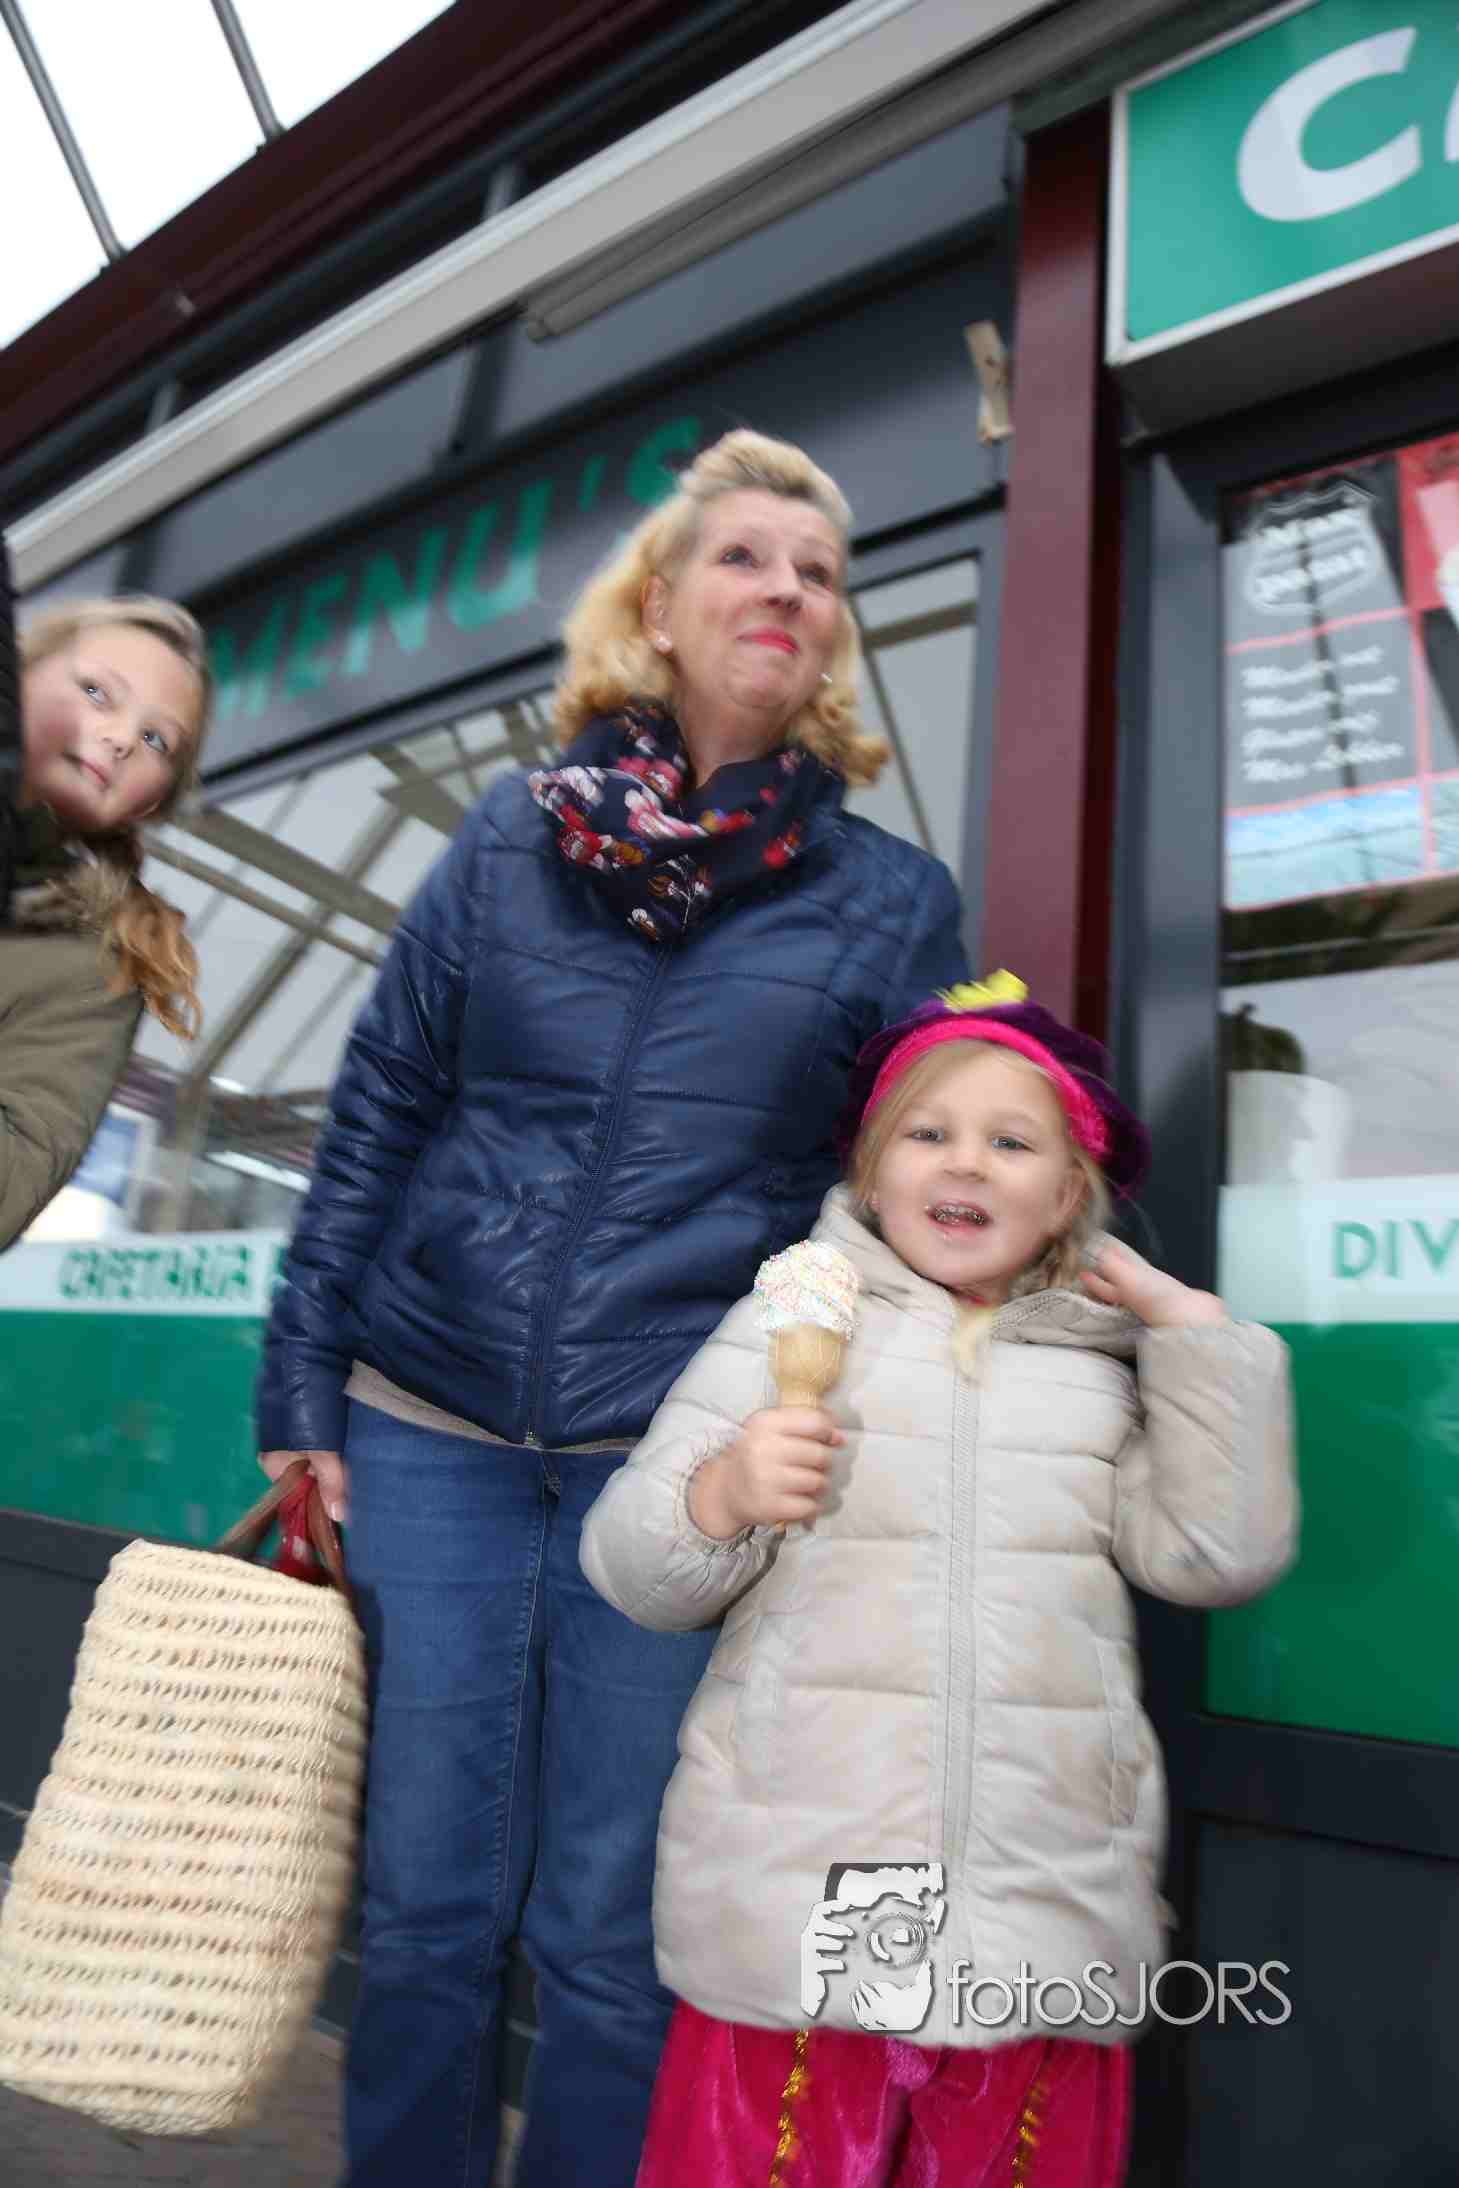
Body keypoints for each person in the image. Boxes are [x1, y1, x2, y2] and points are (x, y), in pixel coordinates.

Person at [254, 429, 968, 2188]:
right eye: (744, 558)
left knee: (605, 1921)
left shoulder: (888, 900)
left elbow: (913, 1172)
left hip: (675, 1460)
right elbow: (378, 1112)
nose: (785, 590)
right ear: (656, 606)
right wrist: (302, 1390)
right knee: (424, 1904)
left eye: (816, 574)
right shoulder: (504, 840)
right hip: (429, 1424)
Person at [580, 975, 1299, 2188]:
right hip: (808, 1880)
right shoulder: (791, 1322)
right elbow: (635, 1569)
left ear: (1067, 1193)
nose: (964, 1161)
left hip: (1040, 1887)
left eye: (1010, 1142)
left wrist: (1194, 1336)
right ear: (872, 1173)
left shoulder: (1102, 1365)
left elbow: (1214, 1556)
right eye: (927, 1132)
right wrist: (724, 1494)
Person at [1, 596, 209, 1250]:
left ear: (149, 802)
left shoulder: (96, 965)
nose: (120, 738)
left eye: (155, 740)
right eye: (96, 692)